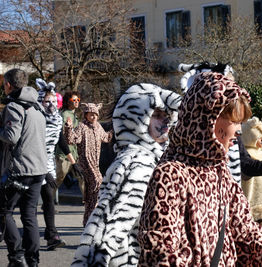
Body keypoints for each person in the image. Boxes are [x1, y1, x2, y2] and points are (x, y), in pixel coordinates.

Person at [138, 71, 262, 266]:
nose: (239, 130)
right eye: (235, 121)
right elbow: (159, 251)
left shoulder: (221, 173)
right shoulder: (170, 174)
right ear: (207, 119)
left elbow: (247, 235)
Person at [71, 84, 183, 267]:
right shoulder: (138, 162)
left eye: (166, 115)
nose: (165, 121)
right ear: (135, 120)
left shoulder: (153, 158)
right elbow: (110, 222)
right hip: (132, 258)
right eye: (156, 115)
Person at [0, 69, 47, 267]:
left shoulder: (14, 106)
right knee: (29, 216)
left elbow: (11, 136)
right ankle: (33, 260)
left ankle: (17, 256)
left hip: (20, 169)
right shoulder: (37, 106)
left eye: (4, 83)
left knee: (4, 211)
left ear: (9, 85)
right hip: (39, 168)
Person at [35, 79, 82, 251]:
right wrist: (44, 171)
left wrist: (73, 162)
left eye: (53, 101)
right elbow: (34, 144)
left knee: (48, 199)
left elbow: (60, 141)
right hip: (31, 164)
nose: (51, 105)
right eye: (47, 101)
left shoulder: (56, 119)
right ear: (41, 101)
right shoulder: (36, 118)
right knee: (28, 203)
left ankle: (52, 235)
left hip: (47, 164)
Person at [64, 102, 113, 226]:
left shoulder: (98, 127)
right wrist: (69, 128)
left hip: (95, 163)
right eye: (91, 115)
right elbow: (71, 140)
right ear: (86, 115)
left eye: (95, 115)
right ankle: (94, 209)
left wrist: (116, 129)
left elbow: (106, 138)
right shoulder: (81, 126)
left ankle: (89, 217)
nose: (94, 117)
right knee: (98, 181)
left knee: (92, 194)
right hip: (86, 163)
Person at [55, 91, 85, 199]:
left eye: (78, 100)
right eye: (74, 100)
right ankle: (47, 202)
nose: (77, 102)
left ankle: (87, 202)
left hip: (74, 153)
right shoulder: (65, 115)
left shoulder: (74, 115)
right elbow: (61, 135)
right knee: (59, 178)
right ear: (68, 101)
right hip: (64, 154)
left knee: (82, 177)